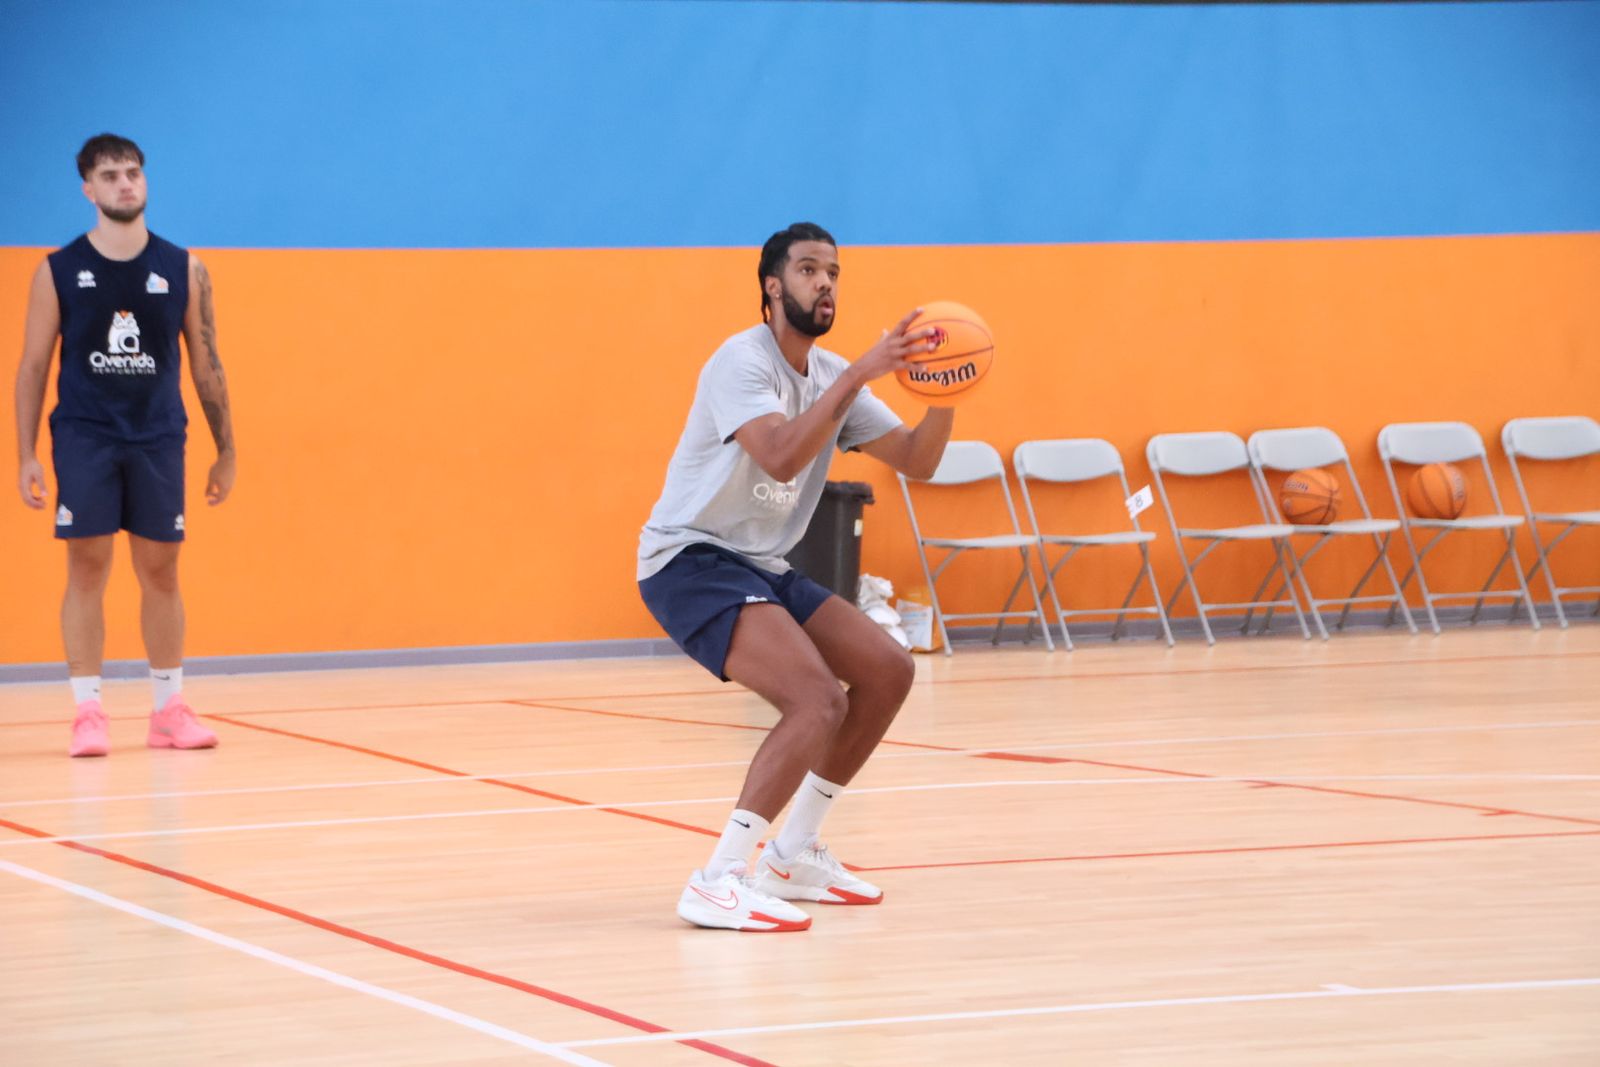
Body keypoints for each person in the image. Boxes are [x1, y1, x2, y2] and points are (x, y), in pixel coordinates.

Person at [638, 222, 953, 931]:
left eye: (834, 272)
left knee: (888, 669)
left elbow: (918, 459)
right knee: (816, 698)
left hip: (761, 563)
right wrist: (857, 375)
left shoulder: (834, 375)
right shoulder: (740, 363)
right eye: (810, 270)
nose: (826, 284)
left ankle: (792, 853)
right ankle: (717, 877)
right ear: (774, 287)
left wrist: (950, 385)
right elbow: (779, 455)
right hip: (689, 558)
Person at [13, 133, 237, 758]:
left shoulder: (183, 267)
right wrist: (27, 454)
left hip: (158, 436)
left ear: (146, 181)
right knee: (87, 567)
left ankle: (169, 709)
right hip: (85, 435)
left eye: (133, 173)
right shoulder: (57, 271)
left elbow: (207, 363)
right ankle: (88, 712)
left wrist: (228, 449)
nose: (124, 184)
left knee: (161, 570)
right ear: (88, 189)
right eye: (109, 176)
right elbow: (31, 368)